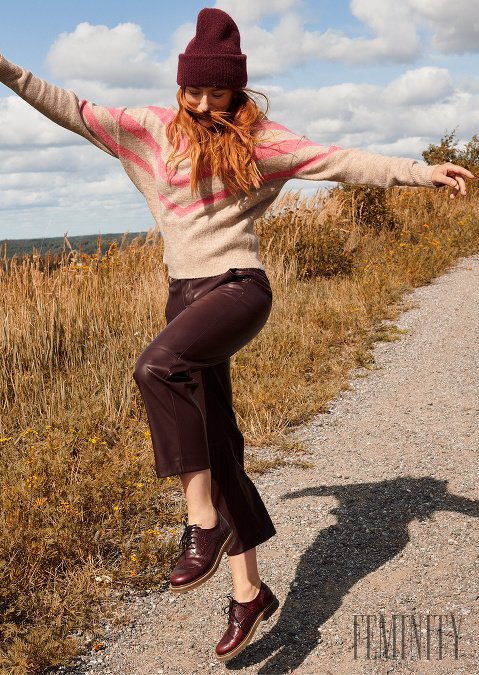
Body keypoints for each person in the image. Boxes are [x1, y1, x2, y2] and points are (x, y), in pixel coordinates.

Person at [0, 7, 473, 663]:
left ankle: (202, 521)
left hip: (236, 288)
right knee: (217, 444)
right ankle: (248, 590)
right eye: (192, 89)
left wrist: (423, 171)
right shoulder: (145, 128)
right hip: (182, 295)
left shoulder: (259, 140)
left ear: (236, 89)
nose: (200, 102)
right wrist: (6, 68)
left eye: (215, 92)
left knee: (154, 368)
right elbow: (68, 106)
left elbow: (338, 160)